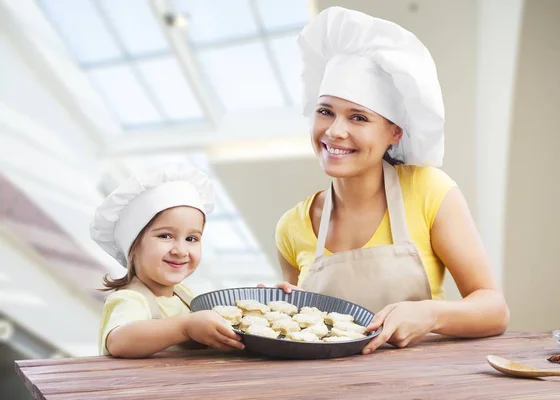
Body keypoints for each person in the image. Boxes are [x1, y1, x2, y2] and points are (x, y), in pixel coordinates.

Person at [268, 7, 510, 354]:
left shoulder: (429, 192)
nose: (335, 131)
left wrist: (430, 314)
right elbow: (297, 329)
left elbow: (494, 310)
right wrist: (275, 307)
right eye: (325, 111)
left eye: (358, 117)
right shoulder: (291, 226)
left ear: (394, 133)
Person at [91, 164, 244, 358]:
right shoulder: (131, 300)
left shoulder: (183, 295)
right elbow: (119, 342)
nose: (180, 251)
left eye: (191, 239)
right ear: (133, 246)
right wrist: (185, 327)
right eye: (165, 236)